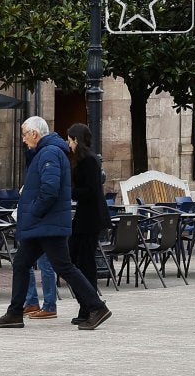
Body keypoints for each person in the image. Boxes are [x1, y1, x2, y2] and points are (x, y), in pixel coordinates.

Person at [0, 116, 113, 332]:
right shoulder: (46, 152)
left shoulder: (49, 153)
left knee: (64, 266)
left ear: (35, 134)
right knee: (21, 263)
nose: (24, 140)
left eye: (25, 135)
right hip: (43, 224)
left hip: (47, 223)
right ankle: (15, 313)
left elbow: (50, 188)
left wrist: (34, 212)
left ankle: (96, 306)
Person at [66, 121, 112, 320]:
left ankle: (90, 307)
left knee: (85, 264)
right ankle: (87, 305)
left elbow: (91, 191)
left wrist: (70, 192)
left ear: (76, 139)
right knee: (76, 260)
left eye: (70, 140)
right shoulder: (84, 160)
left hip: (90, 219)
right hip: (85, 218)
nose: (69, 145)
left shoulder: (90, 161)